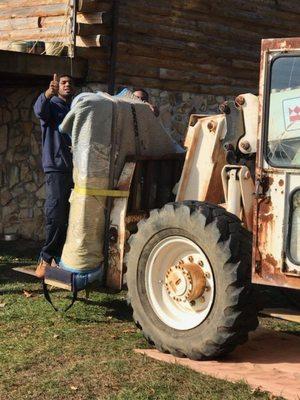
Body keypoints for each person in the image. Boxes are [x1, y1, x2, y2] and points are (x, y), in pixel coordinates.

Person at [33, 74, 75, 278]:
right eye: (63, 83)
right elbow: (39, 110)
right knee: (55, 215)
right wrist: (48, 93)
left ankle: (57, 260)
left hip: (74, 170)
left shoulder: (73, 108)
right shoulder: (51, 105)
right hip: (56, 168)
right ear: (57, 86)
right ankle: (45, 257)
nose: (67, 85)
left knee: (68, 216)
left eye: (70, 83)